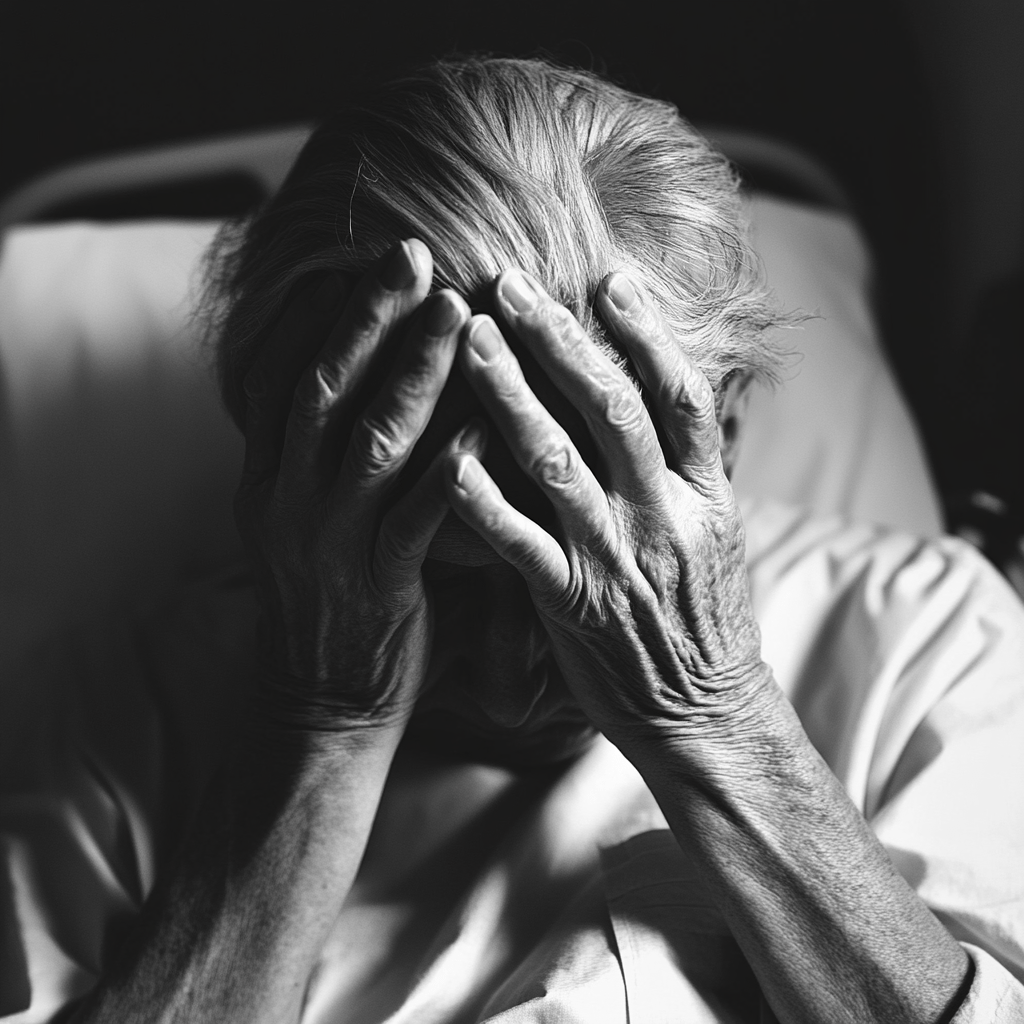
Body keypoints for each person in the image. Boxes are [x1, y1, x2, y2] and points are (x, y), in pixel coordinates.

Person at [7, 56, 1023, 1023]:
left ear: (722, 437)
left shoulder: (926, 639)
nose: (503, 688)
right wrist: (318, 722)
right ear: (280, 465)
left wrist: (711, 720)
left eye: (559, 590)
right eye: (440, 587)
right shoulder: (106, 713)